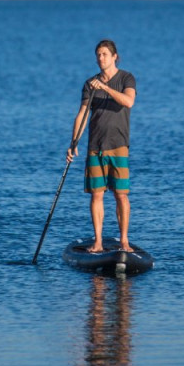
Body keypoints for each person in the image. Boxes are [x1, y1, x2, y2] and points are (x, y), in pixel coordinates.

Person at [66, 39, 136, 253]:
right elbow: (82, 115)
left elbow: (128, 101)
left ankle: (124, 241)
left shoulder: (126, 78)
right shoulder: (90, 84)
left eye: (104, 54)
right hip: (95, 146)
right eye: (98, 54)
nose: (100, 58)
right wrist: (73, 142)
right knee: (97, 194)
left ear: (115, 56)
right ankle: (98, 242)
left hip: (119, 145)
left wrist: (104, 87)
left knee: (121, 194)